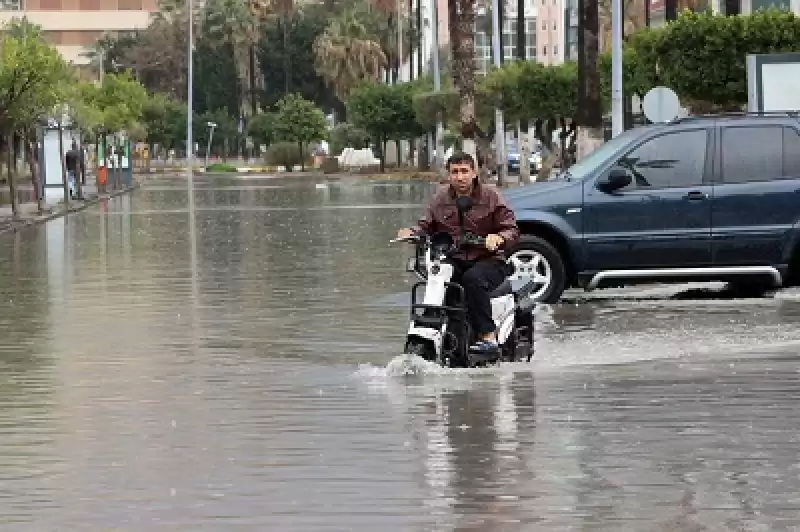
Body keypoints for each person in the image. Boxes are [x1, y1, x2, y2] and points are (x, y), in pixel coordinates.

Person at [396, 151, 520, 354]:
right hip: (455, 258)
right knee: (439, 273)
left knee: (473, 278)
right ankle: (438, 328)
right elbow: (425, 224)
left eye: (464, 171)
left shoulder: (491, 196)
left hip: (489, 260)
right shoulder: (440, 197)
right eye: (455, 172)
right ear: (449, 174)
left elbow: (511, 228)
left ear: (474, 173)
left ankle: (487, 336)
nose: (460, 177)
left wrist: (499, 238)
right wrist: (411, 232)